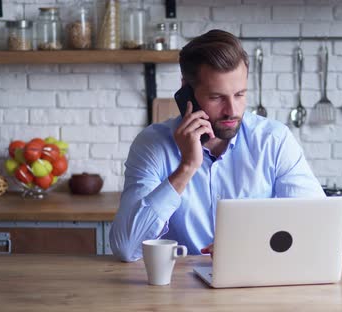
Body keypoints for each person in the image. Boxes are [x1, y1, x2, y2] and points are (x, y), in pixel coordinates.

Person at [109, 29, 324, 262]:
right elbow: (126, 247)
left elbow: (315, 227)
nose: (232, 110)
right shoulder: (152, 145)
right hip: (178, 291)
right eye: (216, 97)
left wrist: (247, 245)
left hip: (254, 284)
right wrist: (187, 167)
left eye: (240, 94)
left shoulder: (274, 141)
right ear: (186, 91)